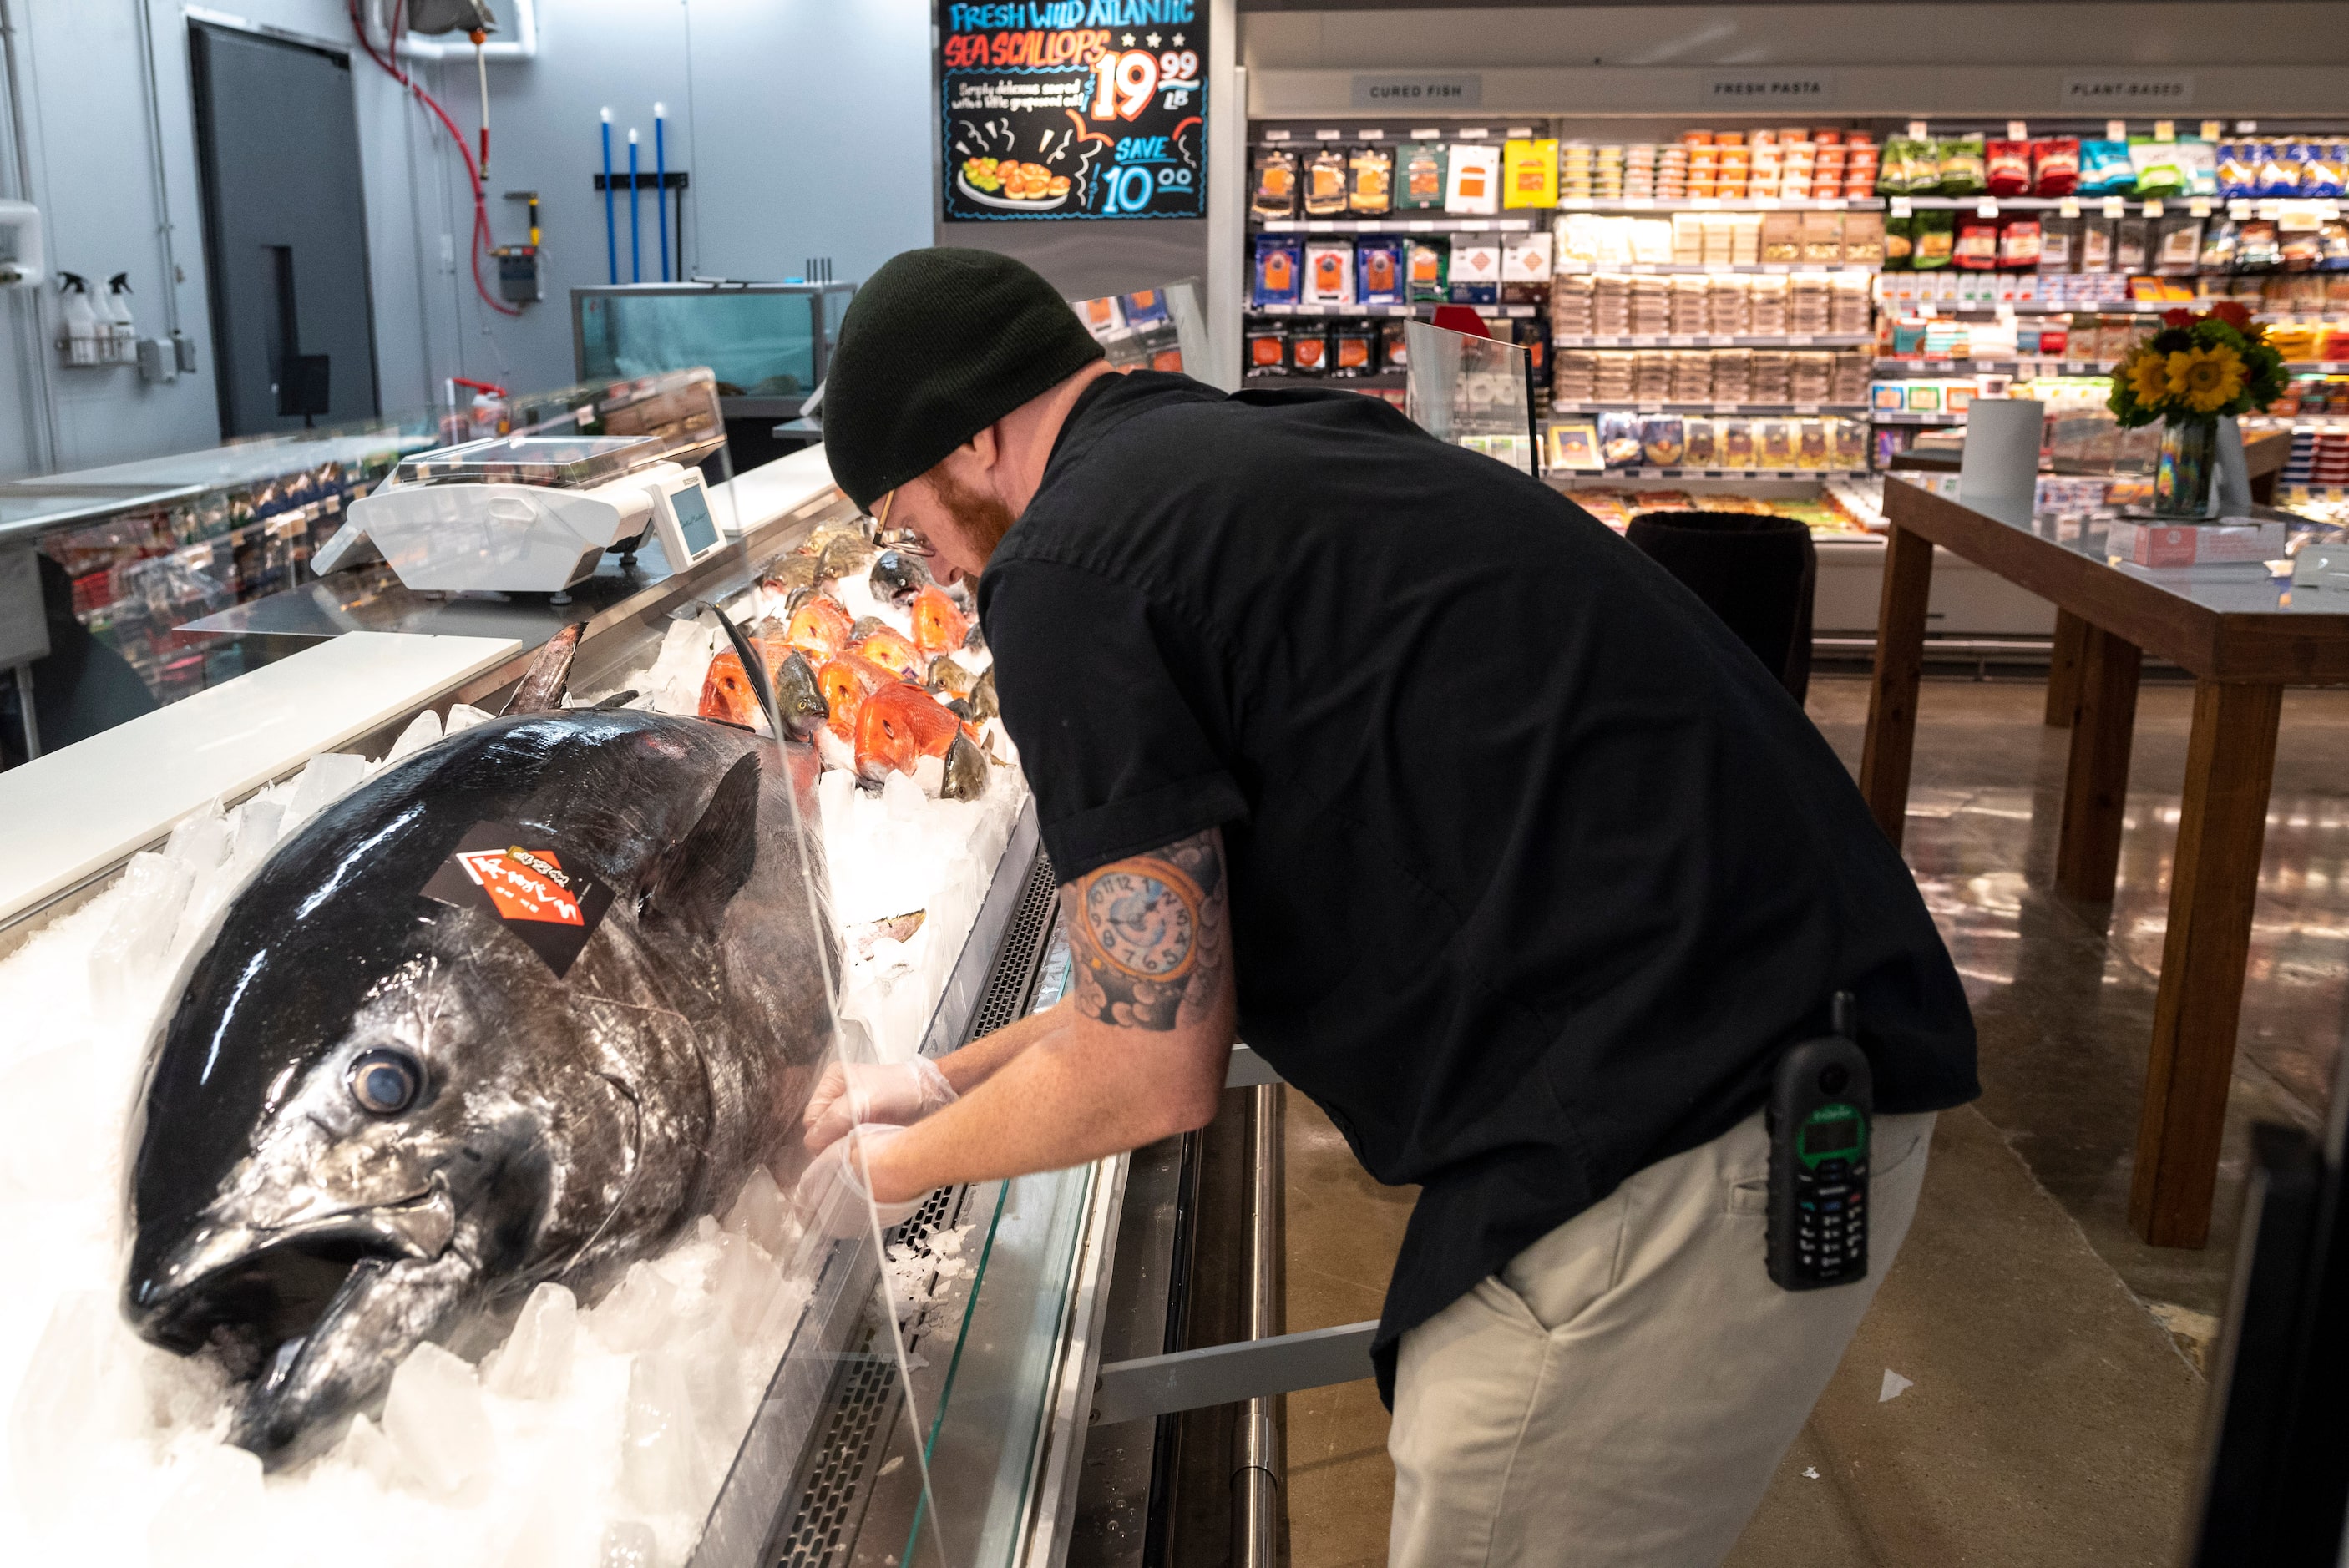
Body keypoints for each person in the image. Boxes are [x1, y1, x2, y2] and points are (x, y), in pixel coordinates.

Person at [798, 247, 1977, 1567]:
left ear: (973, 430)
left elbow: (1148, 1067)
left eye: (913, 524)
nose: (936, 571)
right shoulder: (1227, 448)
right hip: (1758, 1034)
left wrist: (875, 1178)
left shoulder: (1068, 567)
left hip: (1695, 1124)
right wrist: (933, 1080)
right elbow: (1150, 975)